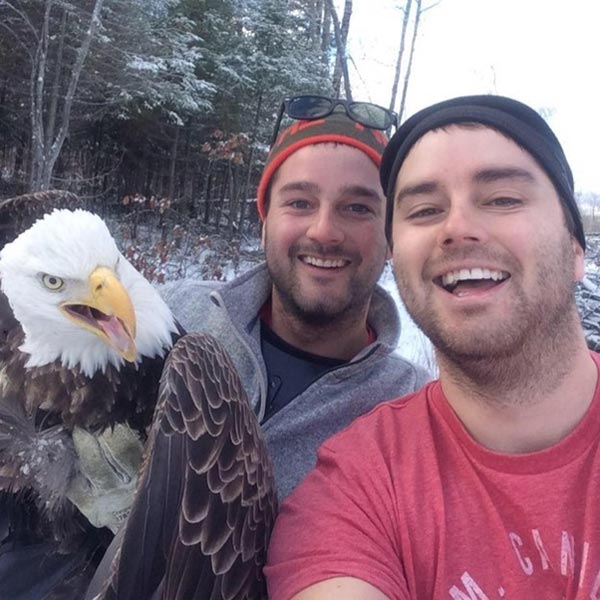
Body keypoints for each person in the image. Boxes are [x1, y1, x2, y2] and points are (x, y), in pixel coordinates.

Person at [265, 94, 600, 599]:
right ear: (397, 259)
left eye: (503, 198)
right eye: (425, 210)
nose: (457, 228)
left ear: (576, 247)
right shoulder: (357, 485)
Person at [161, 95, 430, 499]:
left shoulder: (415, 417)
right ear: (264, 221)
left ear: (391, 235)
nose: (324, 231)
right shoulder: (169, 314)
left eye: (357, 208)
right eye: (300, 203)